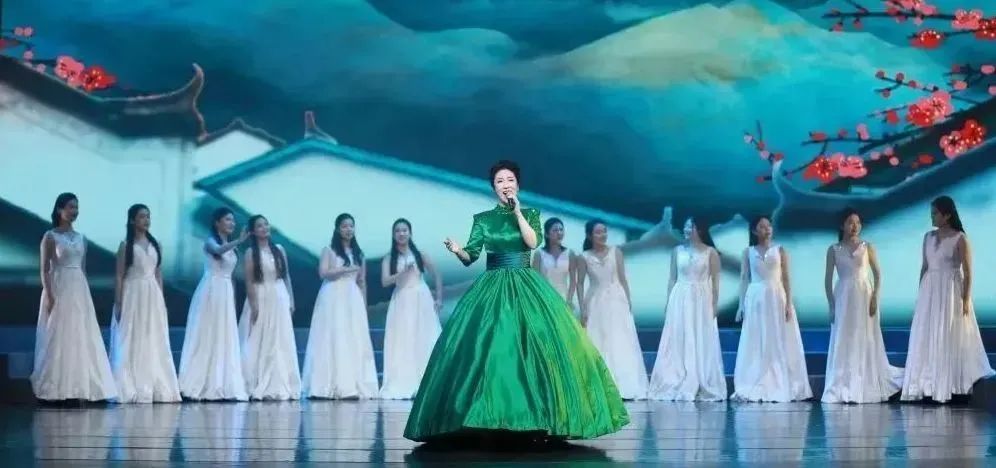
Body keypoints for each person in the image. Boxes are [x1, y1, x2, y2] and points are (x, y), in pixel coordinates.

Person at [403, 160, 629, 445]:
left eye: (509, 180)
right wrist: (458, 250)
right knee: (491, 349)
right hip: (492, 285)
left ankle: (537, 418)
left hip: (525, 283)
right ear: (493, 187)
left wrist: (518, 212)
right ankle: (487, 416)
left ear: (517, 185)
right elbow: (471, 256)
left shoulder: (530, 214)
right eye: (499, 181)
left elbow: (532, 242)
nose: (505, 185)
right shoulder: (483, 219)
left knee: (536, 346)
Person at [902, 196, 994, 402]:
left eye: (935, 213)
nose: (932, 217)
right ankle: (927, 382)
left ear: (947, 215)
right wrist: (920, 295)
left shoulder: (960, 239)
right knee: (927, 333)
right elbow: (924, 267)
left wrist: (965, 299)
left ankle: (949, 382)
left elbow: (968, 272)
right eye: (931, 213)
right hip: (930, 291)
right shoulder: (927, 237)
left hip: (950, 291)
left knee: (948, 332)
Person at [32, 192, 118, 402]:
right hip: (59, 287)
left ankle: (80, 386)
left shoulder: (81, 238)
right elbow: (44, 269)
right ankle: (57, 386)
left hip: (79, 290)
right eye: (71, 207)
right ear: (60, 209)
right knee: (59, 335)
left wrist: (86, 295)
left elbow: (83, 269)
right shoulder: (50, 236)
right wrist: (50, 295)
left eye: (76, 207)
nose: (74, 211)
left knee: (80, 335)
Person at [822, 208, 902, 403]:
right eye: (850, 222)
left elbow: (878, 274)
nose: (855, 226)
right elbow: (827, 280)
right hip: (844, 296)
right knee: (844, 336)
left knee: (865, 335)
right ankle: (844, 381)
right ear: (842, 225)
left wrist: (875, 297)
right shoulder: (833, 249)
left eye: (857, 222)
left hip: (864, 295)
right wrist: (831, 305)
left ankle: (866, 379)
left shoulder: (867, 247)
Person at [731, 215, 812, 402]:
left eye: (769, 226)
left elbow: (786, 278)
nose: (767, 229)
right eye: (762, 226)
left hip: (776, 296)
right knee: (756, 338)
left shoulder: (780, 250)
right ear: (754, 231)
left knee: (778, 337)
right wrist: (741, 305)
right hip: (756, 298)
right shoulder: (748, 252)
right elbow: (744, 278)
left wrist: (788, 303)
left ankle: (780, 378)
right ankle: (756, 377)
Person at [648, 217, 726, 401]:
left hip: (701, 298)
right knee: (678, 337)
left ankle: (700, 379)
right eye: (685, 226)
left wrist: (714, 305)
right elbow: (672, 278)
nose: (687, 229)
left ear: (700, 229)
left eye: (691, 226)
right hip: (680, 297)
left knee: (699, 337)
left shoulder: (711, 253)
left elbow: (716, 283)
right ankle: (676, 376)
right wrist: (668, 302)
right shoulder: (677, 251)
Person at [302, 213, 378, 399]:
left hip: (353, 298)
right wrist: (345, 269)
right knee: (332, 336)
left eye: (351, 226)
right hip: (332, 296)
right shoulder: (329, 250)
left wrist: (364, 305)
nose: (348, 229)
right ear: (337, 229)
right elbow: (323, 273)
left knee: (352, 337)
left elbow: (362, 281)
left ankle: (350, 385)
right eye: (344, 226)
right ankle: (325, 385)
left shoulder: (359, 254)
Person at [110, 204, 181, 403]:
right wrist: (119, 302)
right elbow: (119, 275)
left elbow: (158, 273)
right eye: (142, 216)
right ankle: (130, 384)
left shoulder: (155, 244)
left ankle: (154, 383)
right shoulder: (126, 245)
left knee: (153, 337)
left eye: (148, 216)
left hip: (152, 295)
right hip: (133, 293)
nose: (146, 220)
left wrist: (162, 301)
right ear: (133, 220)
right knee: (132, 337)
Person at [177, 207, 249, 401]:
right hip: (211, 290)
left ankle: (222, 382)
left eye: (233, 220)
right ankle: (201, 381)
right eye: (227, 220)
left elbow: (231, 275)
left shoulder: (232, 247)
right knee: (208, 333)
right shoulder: (210, 241)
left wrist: (233, 298)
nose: (231, 223)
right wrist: (239, 241)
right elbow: (217, 251)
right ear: (217, 222)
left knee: (223, 334)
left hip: (225, 292)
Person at [578, 219, 648, 400]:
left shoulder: (616, 252)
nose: (602, 235)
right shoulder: (584, 257)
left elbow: (623, 278)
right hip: (596, 302)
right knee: (599, 341)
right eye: (598, 232)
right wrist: (583, 308)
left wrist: (628, 301)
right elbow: (580, 284)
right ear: (589, 236)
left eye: (604, 231)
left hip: (617, 301)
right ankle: (602, 385)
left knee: (620, 340)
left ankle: (625, 384)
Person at [379, 219, 443, 400]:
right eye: (398, 231)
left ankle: (426, 383)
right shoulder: (389, 258)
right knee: (402, 341)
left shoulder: (420, 254)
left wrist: (439, 299)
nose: (401, 234)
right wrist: (403, 272)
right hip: (401, 300)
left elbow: (436, 274)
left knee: (425, 339)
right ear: (393, 235)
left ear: (410, 233)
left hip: (421, 299)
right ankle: (404, 381)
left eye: (404, 230)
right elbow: (385, 281)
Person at [239, 215, 301, 400]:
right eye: (260, 226)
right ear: (253, 231)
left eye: (266, 224)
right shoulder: (251, 252)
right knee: (259, 337)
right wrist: (254, 305)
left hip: (279, 296)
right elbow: (249, 281)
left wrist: (291, 299)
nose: (265, 228)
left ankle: (279, 382)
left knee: (279, 340)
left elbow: (286, 276)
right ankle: (257, 381)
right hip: (261, 295)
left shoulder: (279, 249)